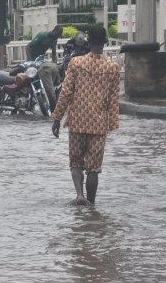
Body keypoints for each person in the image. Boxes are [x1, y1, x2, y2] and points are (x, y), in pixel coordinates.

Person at [51, 25, 120, 206]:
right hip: (98, 124)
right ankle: (92, 204)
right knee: (93, 169)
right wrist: (112, 125)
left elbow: (65, 93)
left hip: (77, 121)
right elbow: (113, 101)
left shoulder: (76, 63)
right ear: (105, 42)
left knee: (76, 162)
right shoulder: (112, 68)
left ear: (88, 42)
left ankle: (79, 195)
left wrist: (57, 118)